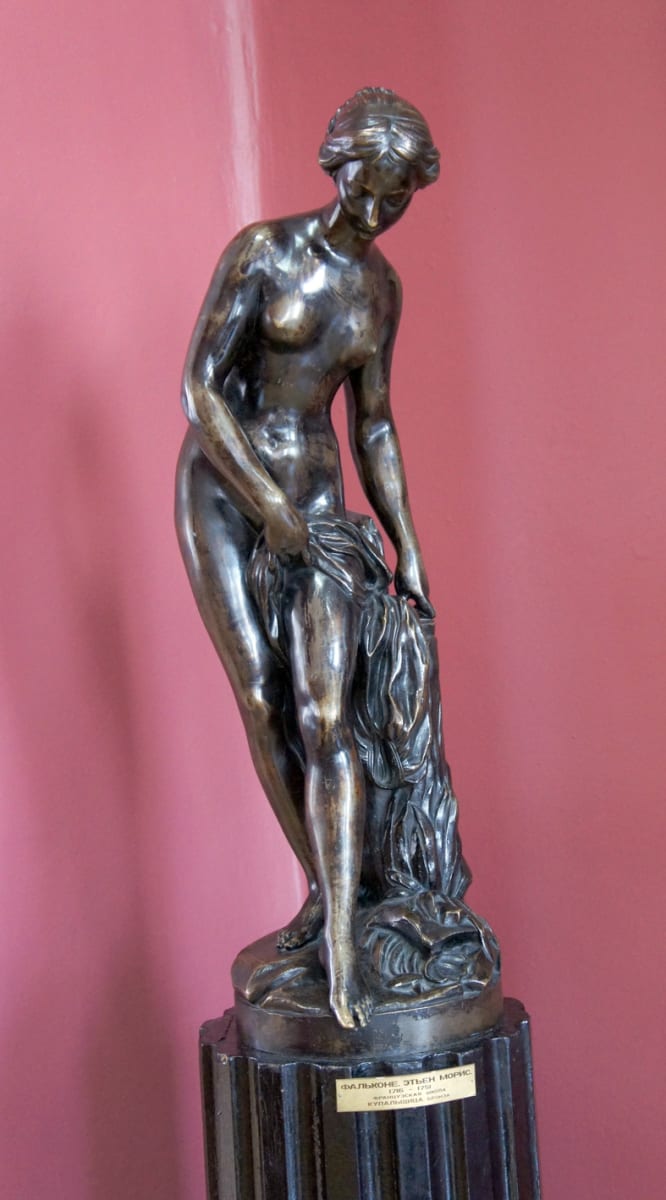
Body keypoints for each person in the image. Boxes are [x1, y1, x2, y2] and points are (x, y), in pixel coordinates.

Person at [176, 88, 440, 1029]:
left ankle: (342, 929)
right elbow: (200, 390)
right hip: (224, 490)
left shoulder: (381, 292)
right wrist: (266, 508)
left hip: (318, 505)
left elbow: (375, 424)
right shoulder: (264, 253)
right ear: (338, 163)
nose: (378, 208)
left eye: (398, 196)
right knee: (263, 695)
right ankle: (327, 896)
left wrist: (407, 544)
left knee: (325, 714)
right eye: (369, 184)